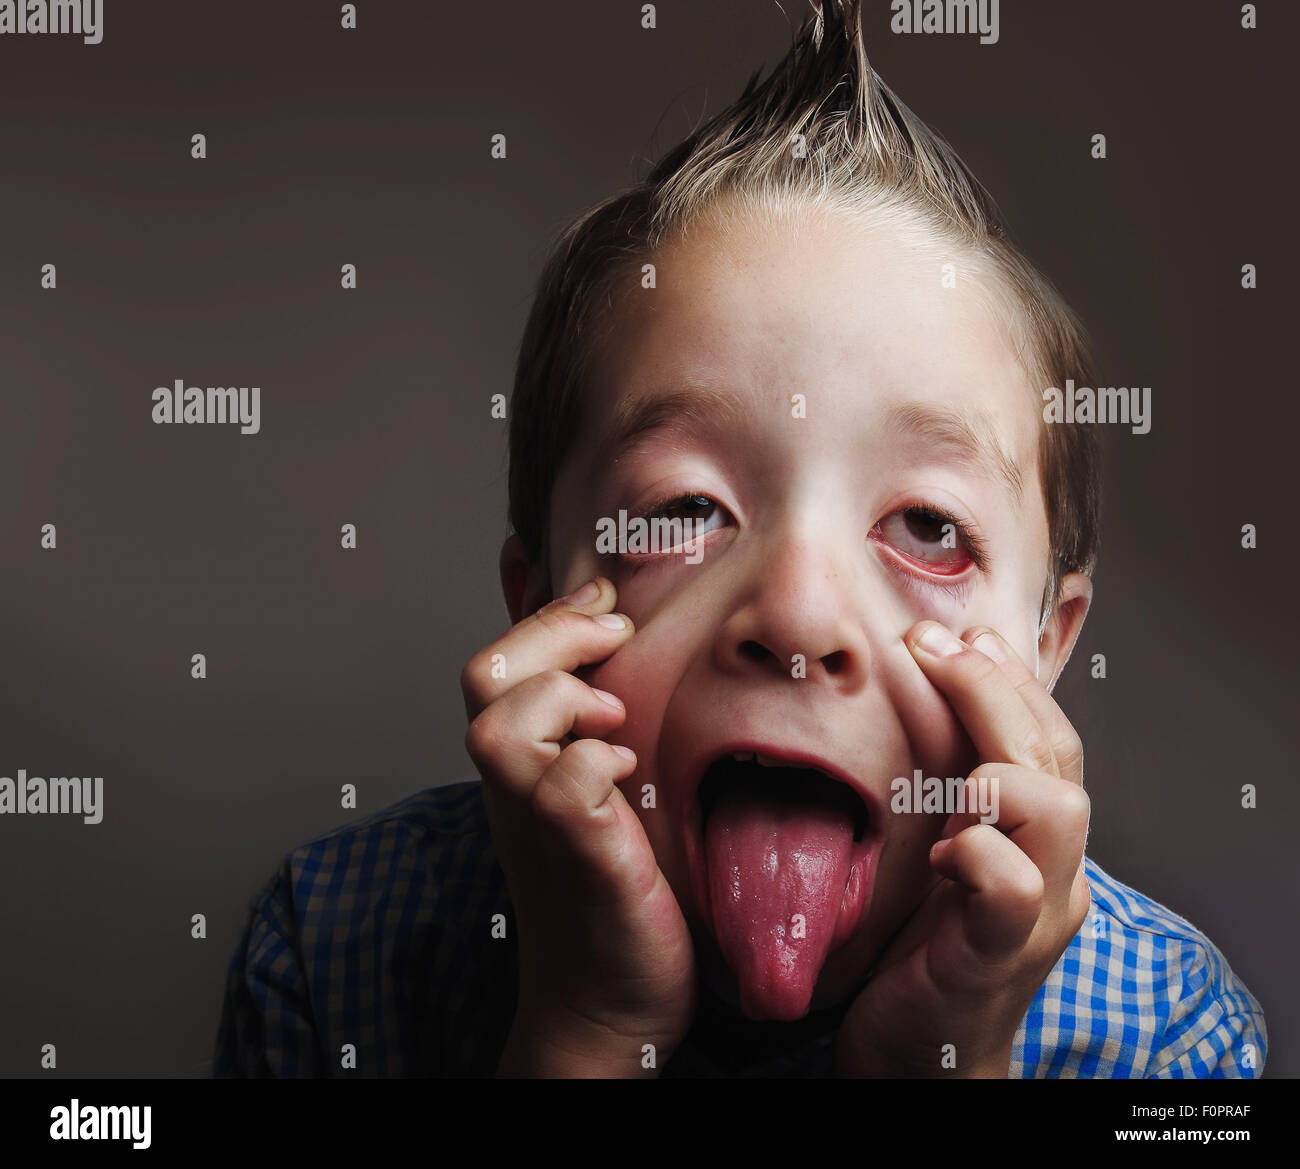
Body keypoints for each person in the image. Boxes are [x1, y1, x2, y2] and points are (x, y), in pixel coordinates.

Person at [214, 0, 1266, 1078]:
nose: (800, 615)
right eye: (680, 511)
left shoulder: (1169, 1029)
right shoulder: (335, 950)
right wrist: (589, 1033)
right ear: (540, 608)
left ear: (1047, 644)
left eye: (926, 527)